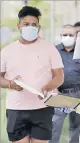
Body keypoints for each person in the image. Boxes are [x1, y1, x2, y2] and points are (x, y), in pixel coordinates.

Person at [0, 6, 64, 143]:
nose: (30, 27)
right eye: (26, 24)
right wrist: (11, 84)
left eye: (34, 24)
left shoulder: (49, 48)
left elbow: (59, 76)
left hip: (42, 108)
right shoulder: (7, 51)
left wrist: (47, 87)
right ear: (19, 26)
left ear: (39, 27)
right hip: (16, 109)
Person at [50, 25, 80, 143]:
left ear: (76, 37)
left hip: (78, 94)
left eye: (70, 35)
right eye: (65, 35)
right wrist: (53, 87)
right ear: (60, 36)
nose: (68, 37)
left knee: (78, 125)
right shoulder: (54, 51)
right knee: (54, 125)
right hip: (59, 94)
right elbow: (47, 71)